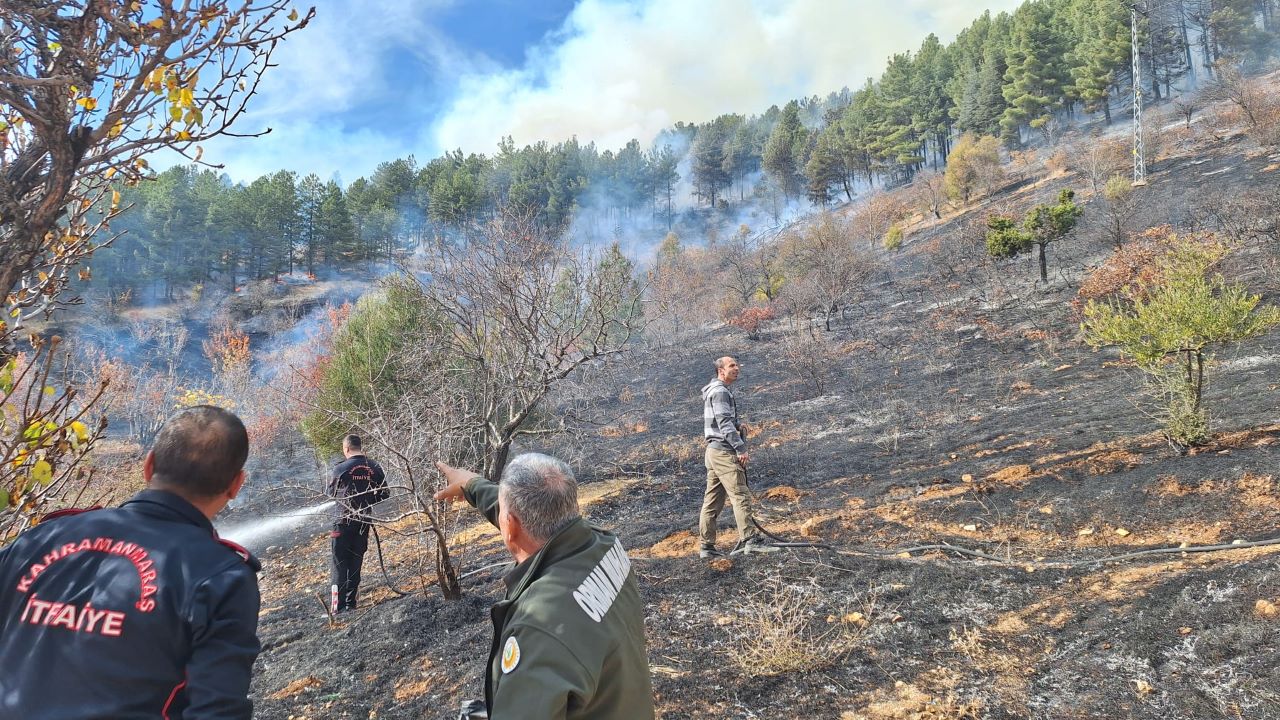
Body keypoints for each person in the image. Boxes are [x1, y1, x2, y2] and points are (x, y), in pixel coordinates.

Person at [0, 405, 261, 719]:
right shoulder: (222, 576)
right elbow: (218, 711)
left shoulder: (38, 539)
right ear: (236, 485)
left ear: (149, 466)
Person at [434, 453, 655, 720]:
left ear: (509, 524)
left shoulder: (539, 628)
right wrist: (472, 485)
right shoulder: (604, 544)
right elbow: (521, 514)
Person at [699, 356, 778, 558]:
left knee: (713, 501)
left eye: (737, 365)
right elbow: (724, 424)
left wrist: (736, 425)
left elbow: (722, 422)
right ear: (721, 371)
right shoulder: (720, 392)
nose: (737, 368)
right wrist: (740, 448)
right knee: (740, 495)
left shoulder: (715, 390)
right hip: (724, 452)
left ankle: (706, 547)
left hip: (713, 451)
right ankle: (750, 541)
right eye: (732, 365)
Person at [326, 433, 387, 613]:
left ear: (346, 449)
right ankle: (351, 604)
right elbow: (385, 493)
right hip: (363, 523)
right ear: (360, 447)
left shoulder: (340, 469)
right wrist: (367, 502)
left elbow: (330, 493)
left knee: (339, 565)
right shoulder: (374, 466)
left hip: (342, 523)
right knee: (355, 563)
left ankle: (337, 609)